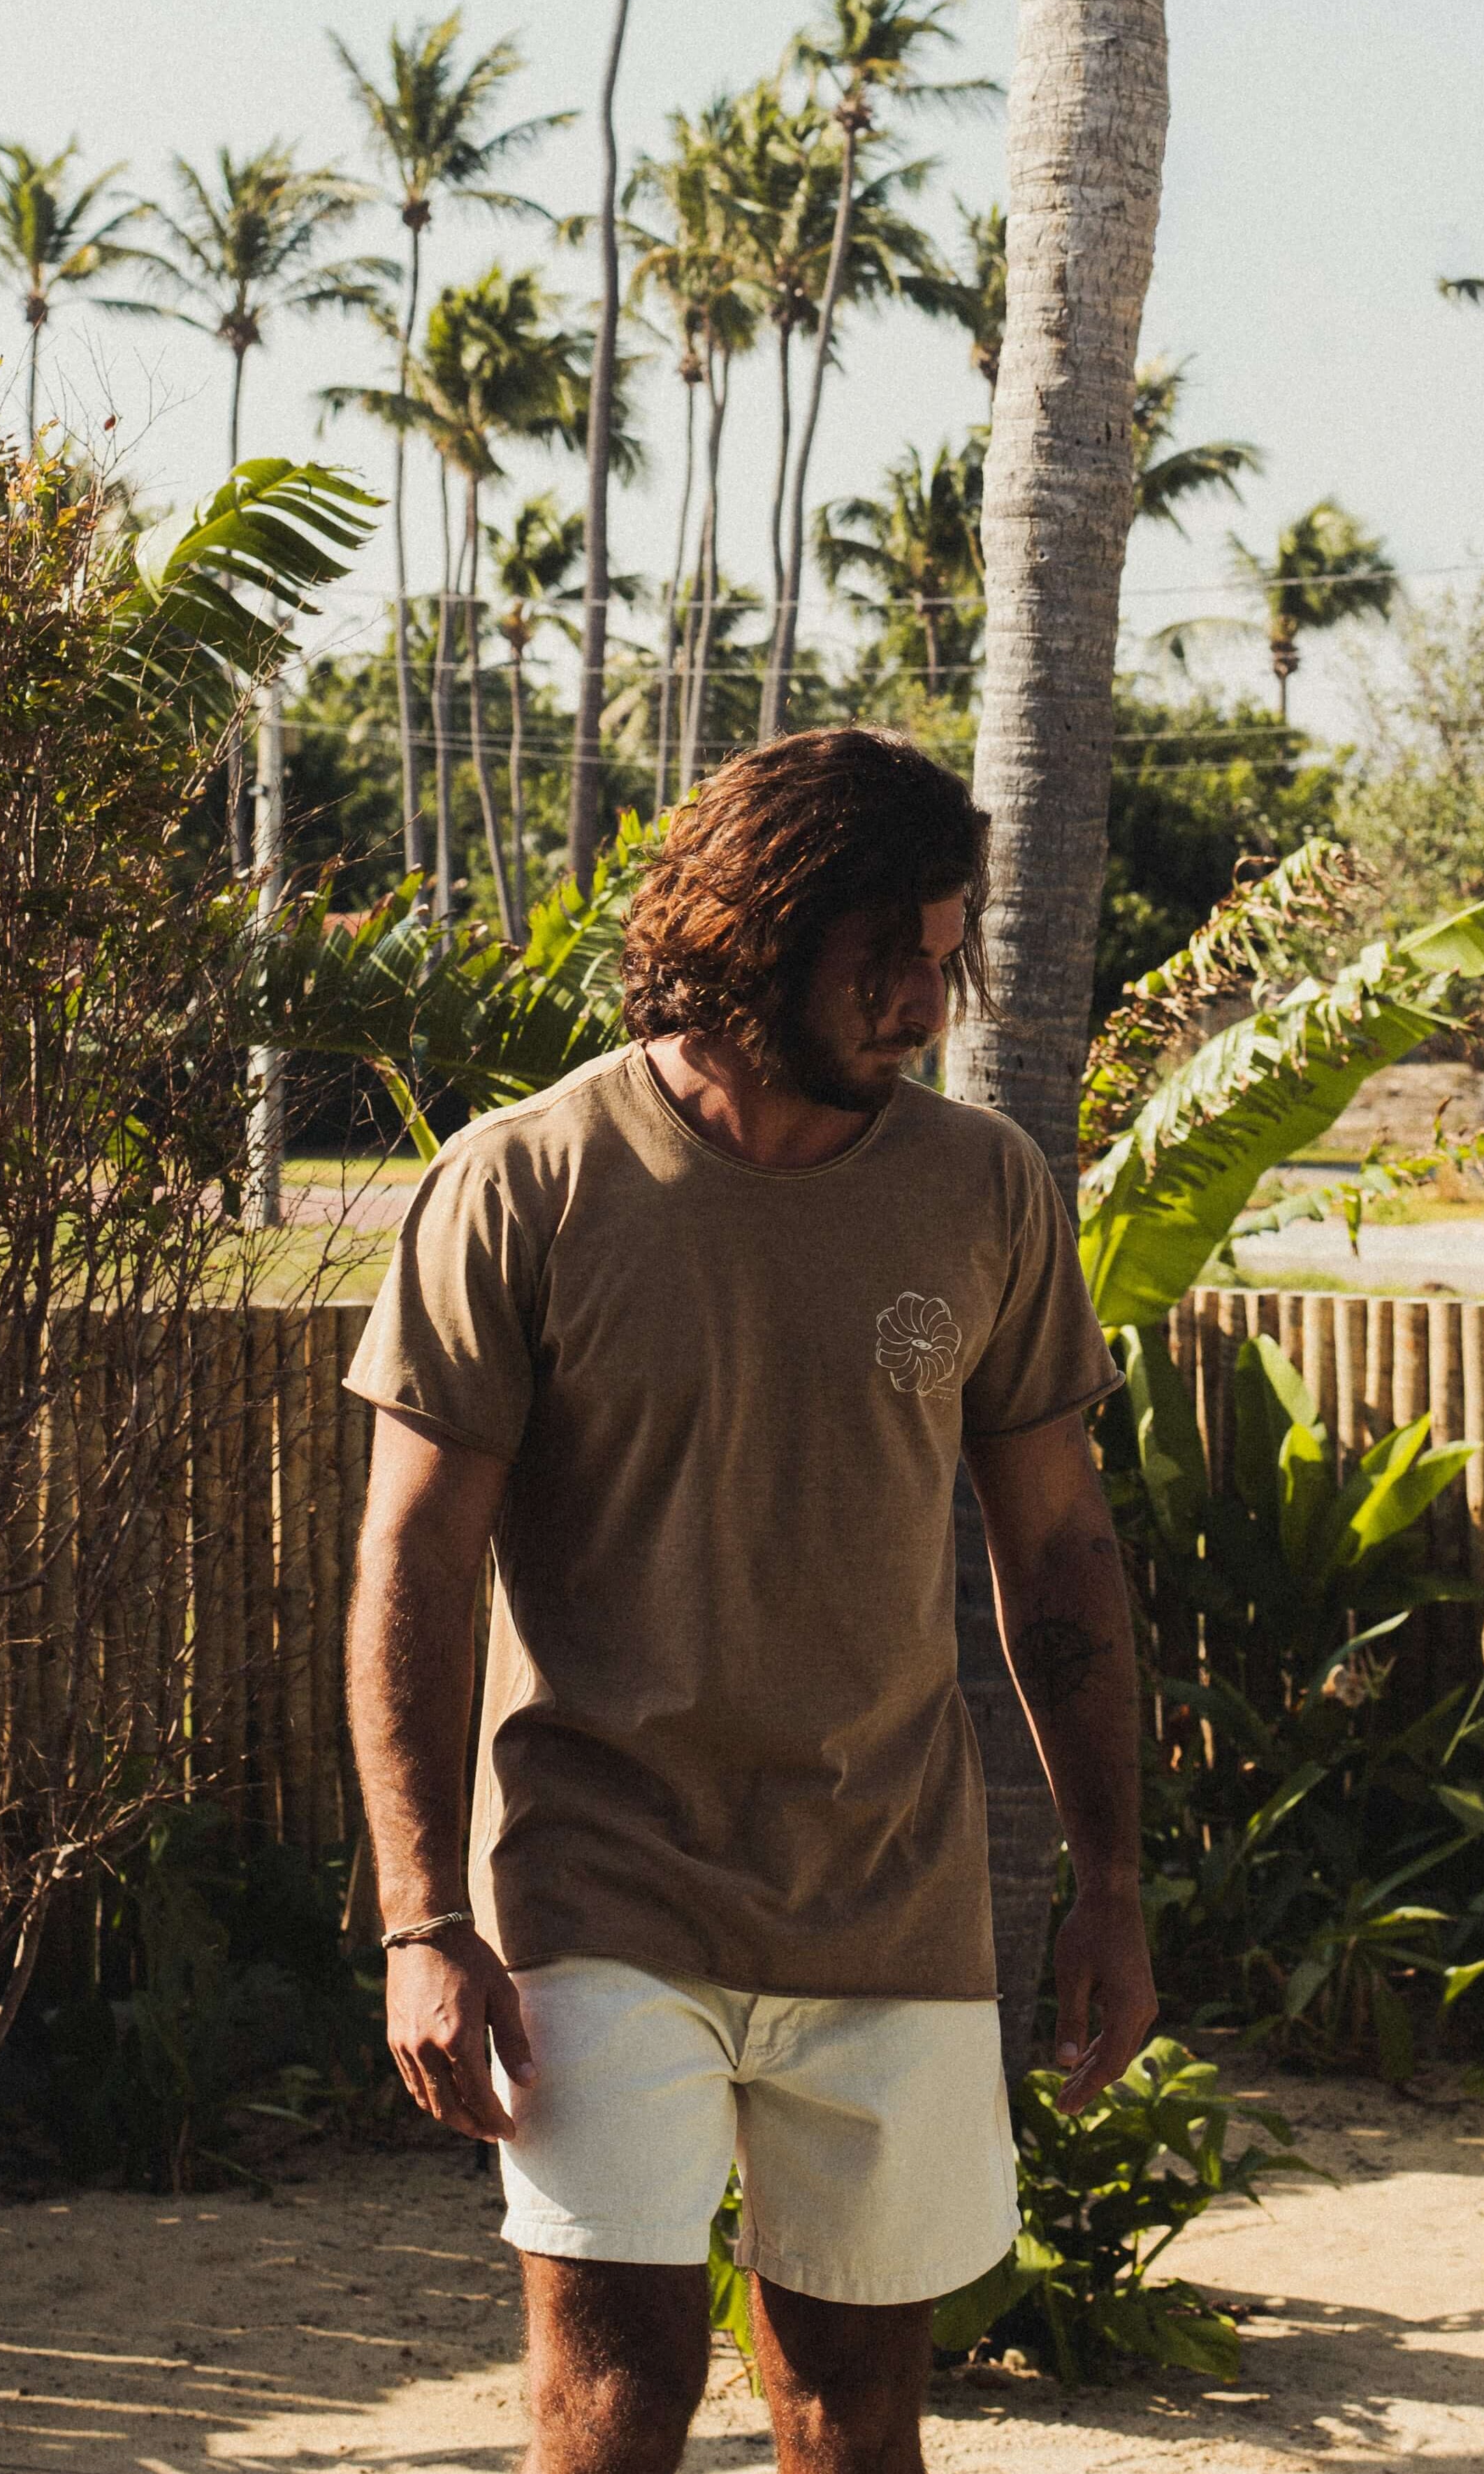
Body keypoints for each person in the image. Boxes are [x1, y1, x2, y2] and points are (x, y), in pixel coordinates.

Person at [346, 724, 1153, 2474]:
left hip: (891, 1892)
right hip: (599, 1876)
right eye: (882, 957)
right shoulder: (531, 1180)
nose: (921, 1002)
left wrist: (1112, 1878)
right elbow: (411, 1560)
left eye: (945, 957)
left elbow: (1063, 1555)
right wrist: (423, 1917)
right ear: (751, 928)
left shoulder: (982, 1190)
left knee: (855, 2414)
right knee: (619, 2398)